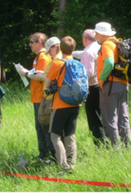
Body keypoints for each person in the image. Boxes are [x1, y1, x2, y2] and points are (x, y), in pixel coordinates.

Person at [44, 36, 80, 172]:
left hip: (60, 105)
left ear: (59, 48)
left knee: (55, 136)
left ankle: (64, 167)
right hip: (76, 104)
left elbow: (47, 86)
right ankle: (72, 166)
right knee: (70, 135)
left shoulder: (57, 63)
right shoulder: (77, 63)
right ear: (74, 48)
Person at [95, 22, 131, 149]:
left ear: (102, 34)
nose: (95, 36)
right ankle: (128, 147)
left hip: (110, 85)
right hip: (123, 84)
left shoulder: (106, 44)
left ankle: (115, 150)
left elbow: (110, 62)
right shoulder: (117, 42)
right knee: (123, 118)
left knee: (110, 118)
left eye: (96, 33)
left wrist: (101, 78)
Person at [18, 32, 53, 160]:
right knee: (40, 126)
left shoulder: (43, 57)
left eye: (32, 42)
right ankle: (43, 154)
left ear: (39, 42)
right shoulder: (39, 57)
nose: (30, 45)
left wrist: (25, 73)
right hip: (38, 97)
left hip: (42, 98)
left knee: (44, 126)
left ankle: (48, 155)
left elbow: (43, 77)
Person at [72, 29, 106, 148]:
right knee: (101, 116)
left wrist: (75, 76)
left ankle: (100, 147)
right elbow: (83, 54)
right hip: (101, 86)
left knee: (94, 119)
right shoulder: (98, 47)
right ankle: (107, 143)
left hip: (91, 88)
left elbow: (88, 72)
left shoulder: (88, 52)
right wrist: (71, 53)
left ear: (84, 39)